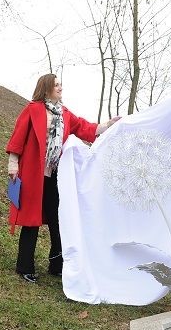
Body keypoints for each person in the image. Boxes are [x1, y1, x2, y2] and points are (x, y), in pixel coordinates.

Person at [6, 74, 119, 283]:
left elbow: (85, 127)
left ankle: (56, 265)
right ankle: (24, 267)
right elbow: (18, 138)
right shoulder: (32, 109)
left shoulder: (64, 113)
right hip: (32, 175)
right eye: (56, 85)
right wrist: (13, 164)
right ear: (46, 88)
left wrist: (108, 125)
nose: (60, 88)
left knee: (58, 220)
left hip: (55, 176)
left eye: (60, 85)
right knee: (31, 222)